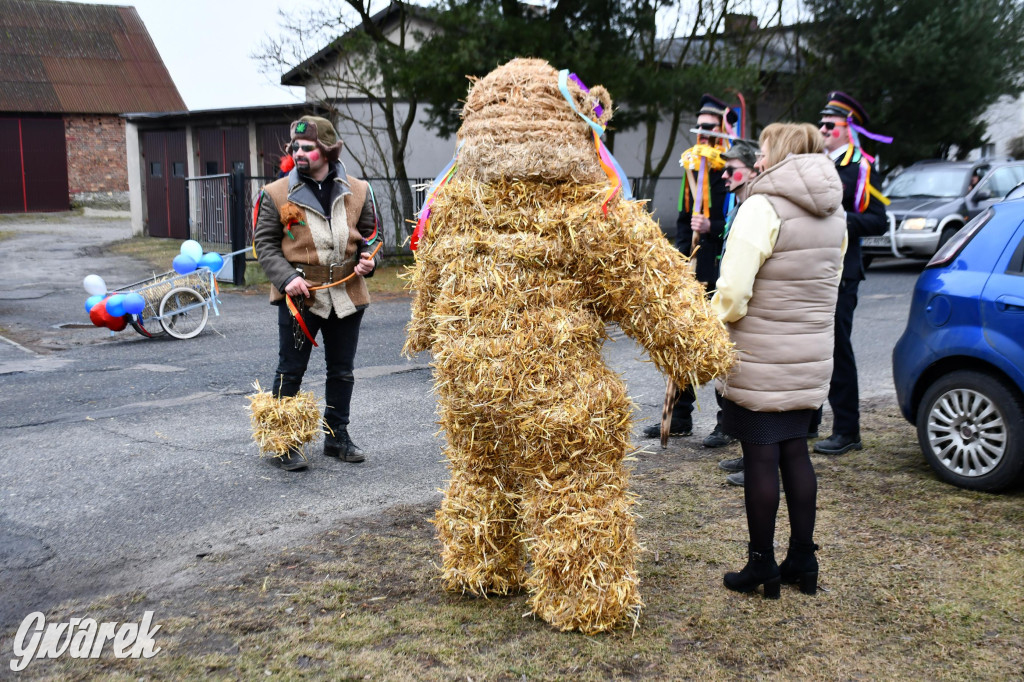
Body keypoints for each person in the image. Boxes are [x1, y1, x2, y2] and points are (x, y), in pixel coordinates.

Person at [712, 123, 847, 598]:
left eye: (765, 148)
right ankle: (803, 560)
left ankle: (762, 565)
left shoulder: (762, 207)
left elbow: (732, 293)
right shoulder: (835, 214)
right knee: (797, 452)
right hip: (810, 353)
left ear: (780, 152)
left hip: (762, 355)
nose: (761, 156)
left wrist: (710, 322)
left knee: (760, 459)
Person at [253, 115, 382, 470]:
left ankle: (336, 437)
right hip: (300, 296)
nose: (299, 153)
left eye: (307, 148)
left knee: (342, 371)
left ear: (327, 150)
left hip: (347, 293)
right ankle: (284, 442)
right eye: (295, 147)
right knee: (290, 371)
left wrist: (369, 259)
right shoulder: (275, 193)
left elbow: (372, 237)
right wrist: (285, 279)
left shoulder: (359, 190)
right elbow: (263, 245)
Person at [643, 94, 736, 440]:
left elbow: (740, 220)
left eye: (709, 128)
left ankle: (728, 422)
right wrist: (683, 257)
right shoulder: (693, 167)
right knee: (680, 336)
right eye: (698, 128)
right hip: (693, 263)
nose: (703, 134)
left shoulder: (730, 168)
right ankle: (678, 417)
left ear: (723, 131)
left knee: (721, 341)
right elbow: (685, 220)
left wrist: (712, 227)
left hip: (721, 266)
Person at [810, 92, 889, 455]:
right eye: (821, 124)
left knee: (837, 348)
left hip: (842, 271)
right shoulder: (816, 163)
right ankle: (808, 422)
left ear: (848, 129)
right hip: (812, 268)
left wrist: (840, 221)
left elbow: (878, 220)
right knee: (809, 349)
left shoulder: (861, 167)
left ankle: (847, 429)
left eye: (831, 125)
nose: (823, 130)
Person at [701, 138, 759, 460]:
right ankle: (737, 436)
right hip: (732, 295)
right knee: (732, 374)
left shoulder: (756, 206)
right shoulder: (738, 205)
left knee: (747, 379)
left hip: (747, 306)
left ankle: (751, 449)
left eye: (732, 170)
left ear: (752, 171)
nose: (724, 176)